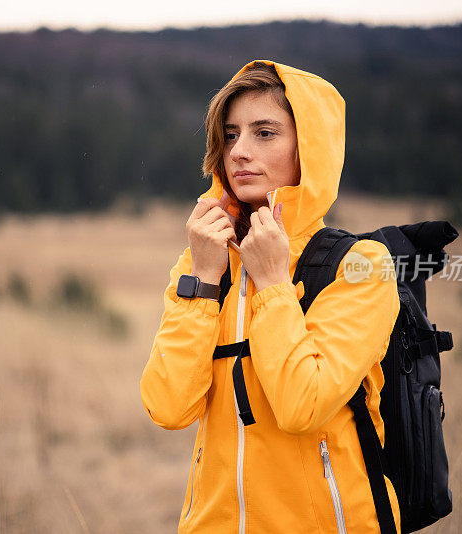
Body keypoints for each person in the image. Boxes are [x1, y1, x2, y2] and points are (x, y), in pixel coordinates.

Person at [140, 60, 401, 533]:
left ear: (311, 149)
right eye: (231, 134)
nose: (239, 151)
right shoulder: (205, 259)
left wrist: (274, 285)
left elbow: (303, 406)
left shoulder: (361, 265)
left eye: (264, 133)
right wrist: (202, 277)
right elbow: (168, 407)